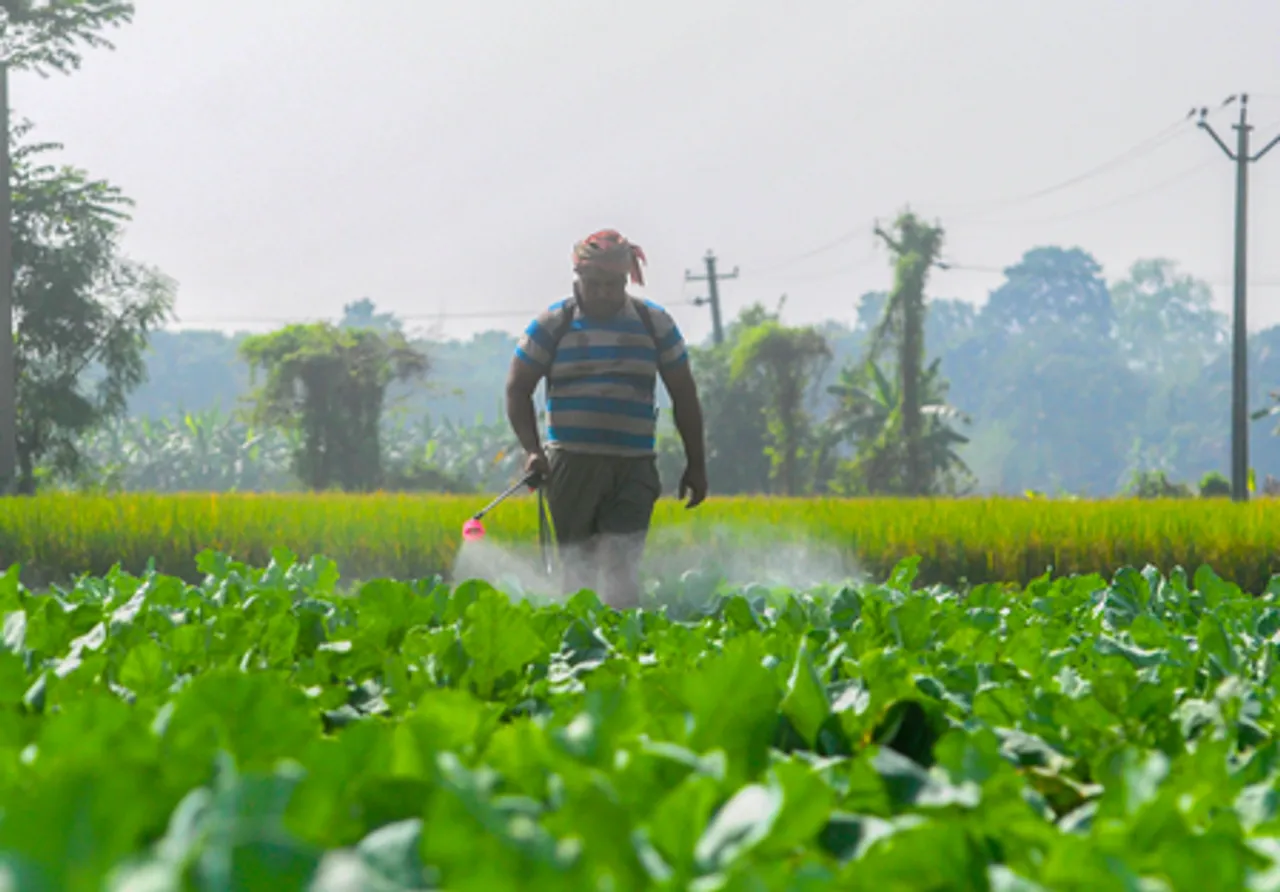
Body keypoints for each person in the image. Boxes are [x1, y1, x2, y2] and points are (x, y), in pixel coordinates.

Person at [505, 229, 708, 608]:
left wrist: (696, 464)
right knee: (577, 570)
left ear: (626, 280)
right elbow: (517, 388)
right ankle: (578, 654)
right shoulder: (553, 324)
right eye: (593, 284)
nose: (602, 293)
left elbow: (684, 393)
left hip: (634, 467)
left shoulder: (655, 323)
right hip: (571, 465)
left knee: (622, 570)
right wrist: (533, 450)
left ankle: (621, 652)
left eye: (611, 285)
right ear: (577, 279)